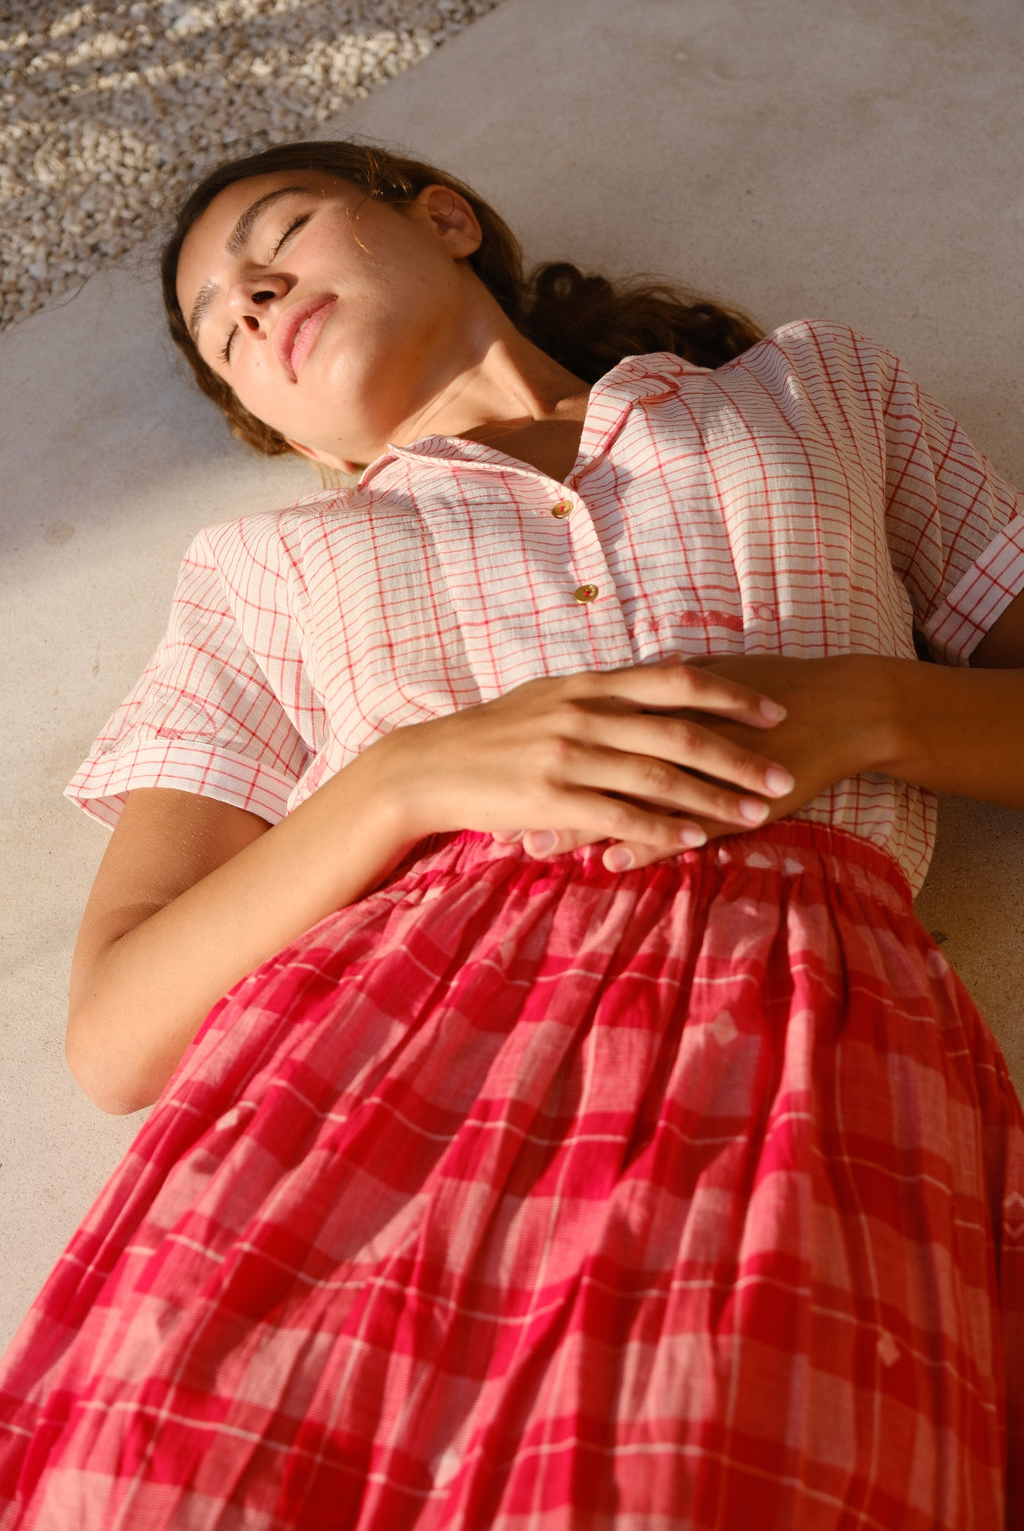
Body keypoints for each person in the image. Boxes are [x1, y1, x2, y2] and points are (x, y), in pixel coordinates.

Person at [0, 138, 1022, 1530]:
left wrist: (879, 712)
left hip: (779, 1061)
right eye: (216, 328)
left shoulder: (814, 387)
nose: (245, 297)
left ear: (442, 217)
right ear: (290, 435)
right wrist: (405, 782)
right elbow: (118, 1026)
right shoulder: (271, 572)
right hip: (368, 1089)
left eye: (277, 233)